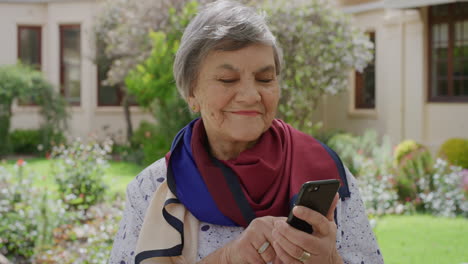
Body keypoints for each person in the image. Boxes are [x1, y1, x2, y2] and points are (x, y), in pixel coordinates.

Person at [110, 1, 384, 263]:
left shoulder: (326, 172)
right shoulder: (151, 189)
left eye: (265, 79)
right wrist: (228, 258)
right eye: (228, 80)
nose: (251, 95)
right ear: (192, 92)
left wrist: (329, 260)